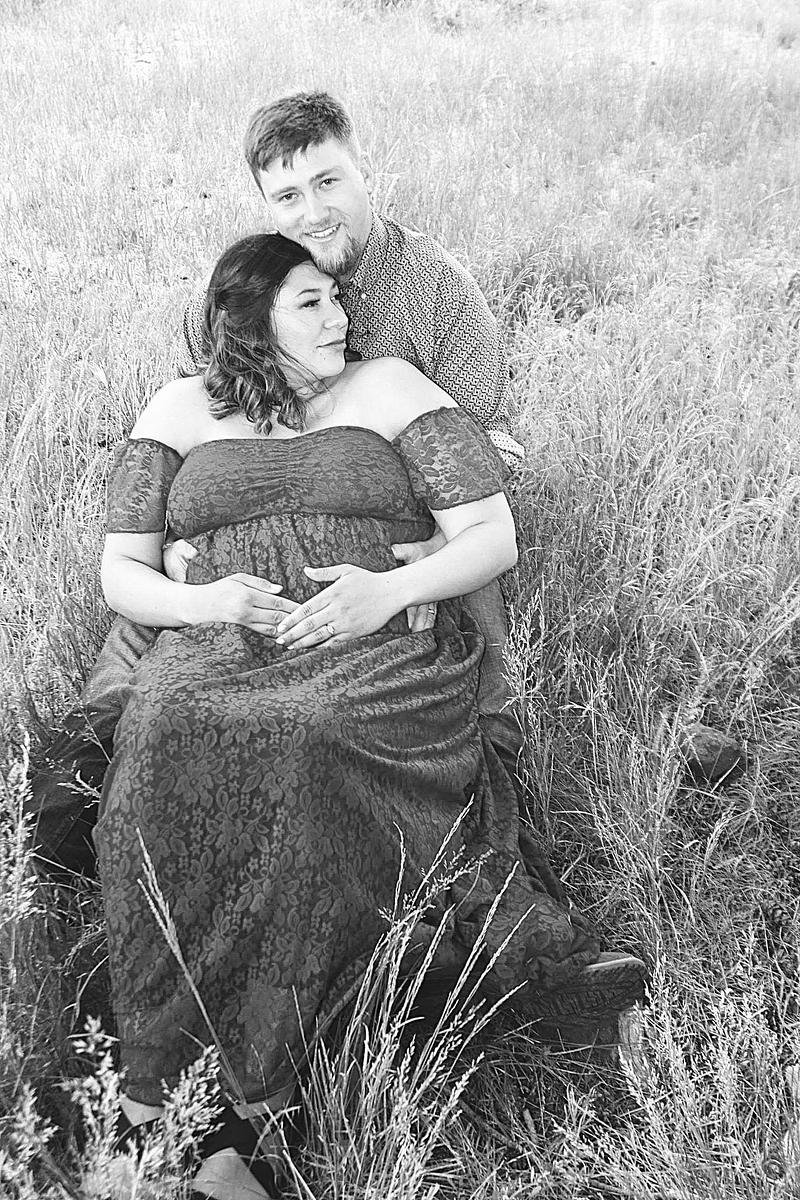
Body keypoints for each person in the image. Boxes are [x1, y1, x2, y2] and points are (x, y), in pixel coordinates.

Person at [97, 232, 644, 1200]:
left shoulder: (388, 386)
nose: (338, 317)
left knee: (306, 741)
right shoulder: (177, 409)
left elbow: (491, 537)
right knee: (156, 740)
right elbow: (121, 569)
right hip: (222, 639)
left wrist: (388, 593)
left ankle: (270, 1086)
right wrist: (204, 601)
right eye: (309, 303)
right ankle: (164, 1095)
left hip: (374, 643)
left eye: (338, 298)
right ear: (248, 317)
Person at [25, 91, 526, 882]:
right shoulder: (249, 286)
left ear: (363, 171)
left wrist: (428, 550)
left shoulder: (434, 294)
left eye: (328, 182)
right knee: (133, 707)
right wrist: (190, 553)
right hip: (230, 601)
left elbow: (482, 444)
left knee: (460, 660)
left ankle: (490, 760)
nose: (313, 212)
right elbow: (214, 408)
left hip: (395, 552)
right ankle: (102, 808)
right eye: (288, 196)